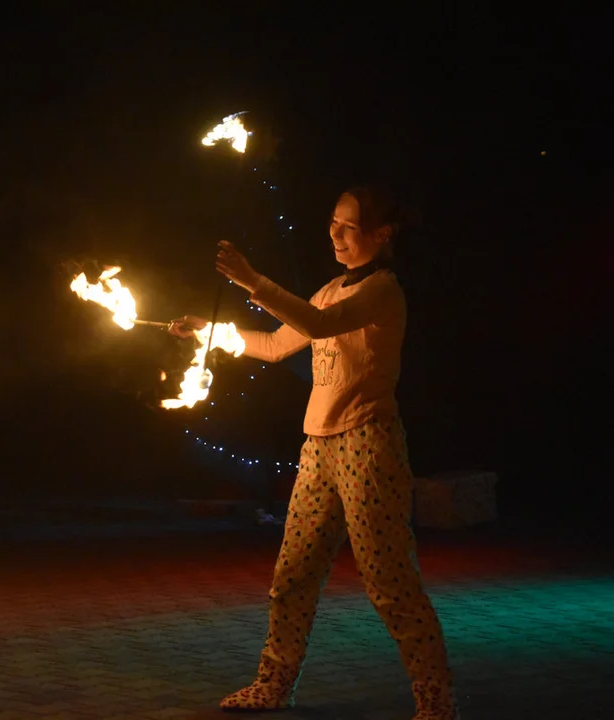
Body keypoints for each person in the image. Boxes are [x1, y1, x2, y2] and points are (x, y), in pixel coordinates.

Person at [169, 187, 459, 719]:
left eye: (348, 227)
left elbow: (319, 325)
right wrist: (210, 333)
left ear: (381, 234)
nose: (335, 234)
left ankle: (434, 698)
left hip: (368, 445)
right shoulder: (328, 290)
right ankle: (273, 685)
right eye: (333, 223)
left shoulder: (382, 292)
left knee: (389, 581)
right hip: (319, 448)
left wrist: (254, 281)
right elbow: (281, 344)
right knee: (293, 576)